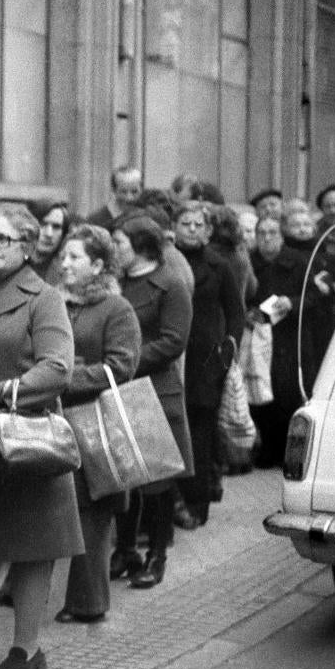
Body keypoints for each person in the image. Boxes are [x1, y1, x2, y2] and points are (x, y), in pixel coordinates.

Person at [0, 203, 81, 669]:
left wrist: (4, 390)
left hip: (28, 439)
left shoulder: (44, 297)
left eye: (2, 240)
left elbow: (59, 367)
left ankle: (27, 647)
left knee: (33, 545)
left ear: (28, 247)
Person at [53, 227, 140, 620]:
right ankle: (14, 589)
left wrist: (66, 376)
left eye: (75, 257)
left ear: (99, 265)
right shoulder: (53, 301)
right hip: (50, 417)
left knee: (92, 513)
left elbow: (121, 366)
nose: (64, 263)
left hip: (94, 425)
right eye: (64, 256)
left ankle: (88, 603)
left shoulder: (116, 308)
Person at [110, 216, 193, 588]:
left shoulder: (170, 284)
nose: (114, 249)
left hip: (155, 390)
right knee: (121, 475)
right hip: (116, 389)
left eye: (120, 242)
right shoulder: (116, 284)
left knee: (156, 480)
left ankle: (156, 556)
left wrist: (124, 359)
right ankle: (124, 550)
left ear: (141, 246)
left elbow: (174, 341)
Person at [172, 202, 245, 526]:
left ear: (209, 230)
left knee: (200, 436)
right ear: (174, 227)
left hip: (206, 364)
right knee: (173, 431)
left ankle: (197, 504)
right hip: (172, 360)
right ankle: (170, 502)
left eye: (198, 224)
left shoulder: (219, 265)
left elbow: (236, 313)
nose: (191, 229)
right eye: (185, 223)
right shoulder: (168, 262)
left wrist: (227, 352)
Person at [248, 215, 335, 467]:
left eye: (272, 232)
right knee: (263, 393)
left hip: (293, 337)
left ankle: (289, 454)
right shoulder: (251, 262)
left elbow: (316, 297)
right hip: (261, 337)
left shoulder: (299, 261)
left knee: (290, 395)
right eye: (261, 233)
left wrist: (293, 303)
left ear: (282, 235)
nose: (266, 238)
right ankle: (267, 450)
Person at [29, 199, 79, 283]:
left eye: (56, 227)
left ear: (63, 233)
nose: (49, 234)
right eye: (42, 224)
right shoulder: (12, 266)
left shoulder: (67, 272)